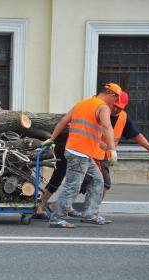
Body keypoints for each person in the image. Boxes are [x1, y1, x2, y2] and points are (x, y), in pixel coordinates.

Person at [36, 91, 149, 222]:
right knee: (74, 181)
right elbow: (86, 130)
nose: (117, 109)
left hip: (91, 153)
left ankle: (82, 212)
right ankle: (56, 211)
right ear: (111, 100)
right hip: (84, 151)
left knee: (95, 181)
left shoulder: (122, 117)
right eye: (115, 106)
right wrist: (110, 149)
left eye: (120, 108)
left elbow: (137, 135)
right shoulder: (98, 108)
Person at [41, 83, 121, 228]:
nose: (114, 104)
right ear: (111, 95)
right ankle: (57, 218)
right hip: (79, 154)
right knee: (72, 186)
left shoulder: (82, 103)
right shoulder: (102, 107)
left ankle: (89, 214)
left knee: (97, 181)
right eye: (115, 100)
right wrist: (113, 150)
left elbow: (64, 121)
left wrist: (51, 139)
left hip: (79, 152)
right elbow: (107, 127)